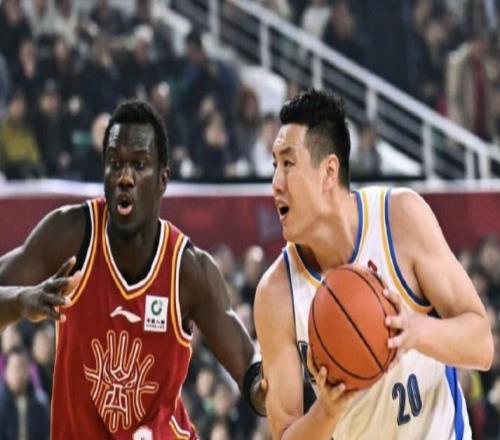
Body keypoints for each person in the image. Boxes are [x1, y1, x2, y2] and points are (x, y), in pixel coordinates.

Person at [0, 100, 264, 438]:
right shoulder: (70, 236)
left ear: (162, 179)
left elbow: (248, 368)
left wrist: (273, 387)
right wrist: (20, 301)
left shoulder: (188, 269)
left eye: (139, 164)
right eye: (115, 164)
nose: (125, 177)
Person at [253, 89, 493, 439]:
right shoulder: (275, 294)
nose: (275, 184)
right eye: (275, 165)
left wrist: (416, 332)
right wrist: (326, 410)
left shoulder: (400, 218)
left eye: (288, 164)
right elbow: (285, 433)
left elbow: (482, 345)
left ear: (329, 172)